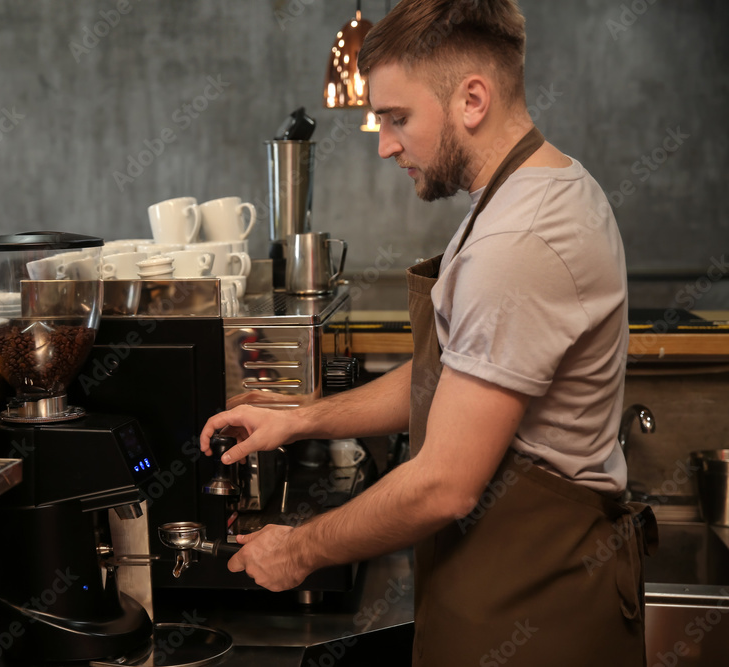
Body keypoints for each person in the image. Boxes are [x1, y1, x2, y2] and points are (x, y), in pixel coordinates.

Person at [200, 0, 656, 664]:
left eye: (396, 117)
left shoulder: (519, 240)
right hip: (502, 590)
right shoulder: (527, 194)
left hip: (535, 612)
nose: (384, 143)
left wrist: (298, 548)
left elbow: (445, 481)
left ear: (472, 98)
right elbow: (450, 377)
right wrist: (299, 419)